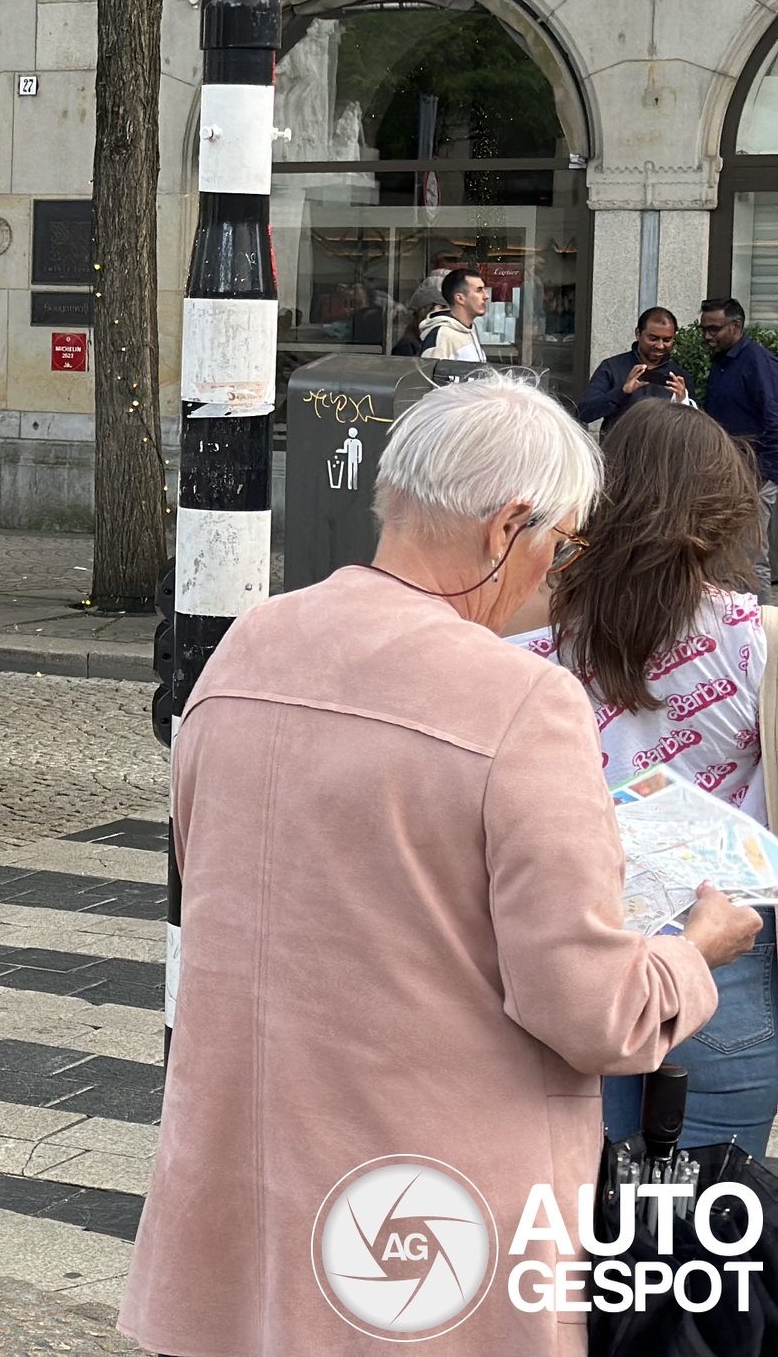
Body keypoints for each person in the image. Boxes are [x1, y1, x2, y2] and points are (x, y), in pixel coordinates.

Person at [120, 376, 756, 1357]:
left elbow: (209, 871)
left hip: (246, 1202)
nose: (556, 573)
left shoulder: (246, 648)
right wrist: (692, 952)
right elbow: (589, 1011)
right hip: (425, 1231)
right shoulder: (518, 704)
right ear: (508, 527)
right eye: (562, 544)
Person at [506, 399, 778, 1153]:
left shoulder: (528, 628)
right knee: (711, 1237)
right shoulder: (758, 641)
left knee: (585, 1228)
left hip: (575, 945)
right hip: (724, 949)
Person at [702, 297, 778, 592]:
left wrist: (764, 473)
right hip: (727, 473)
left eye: (714, 329)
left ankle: (760, 630)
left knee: (752, 556)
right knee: (725, 555)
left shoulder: (757, 361)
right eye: (704, 329)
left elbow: (774, 415)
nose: (708, 336)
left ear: (736, 326)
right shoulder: (722, 363)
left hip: (756, 473)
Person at [577, 303, 690, 431]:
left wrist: (683, 402)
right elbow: (584, 413)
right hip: (618, 447)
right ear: (638, 333)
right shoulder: (612, 367)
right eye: (653, 338)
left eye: (667, 340)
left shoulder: (679, 376)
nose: (660, 346)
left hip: (661, 448)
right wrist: (622, 392)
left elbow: (693, 426)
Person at [419, 265, 489, 361]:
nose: (486, 296)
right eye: (479, 290)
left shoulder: (469, 329)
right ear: (460, 298)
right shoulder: (442, 335)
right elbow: (429, 374)